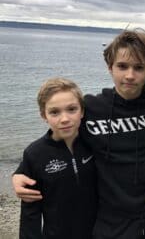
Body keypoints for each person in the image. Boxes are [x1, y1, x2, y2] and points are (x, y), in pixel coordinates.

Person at [13, 30, 145, 239]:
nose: (130, 75)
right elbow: (57, 136)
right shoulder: (92, 108)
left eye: (138, 67)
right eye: (122, 66)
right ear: (110, 67)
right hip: (108, 219)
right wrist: (21, 171)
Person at [18, 78, 97, 239]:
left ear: (82, 111)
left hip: (101, 233)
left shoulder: (95, 142)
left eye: (72, 109)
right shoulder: (34, 154)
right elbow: (30, 213)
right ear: (43, 115)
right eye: (55, 112)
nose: (65, 119)